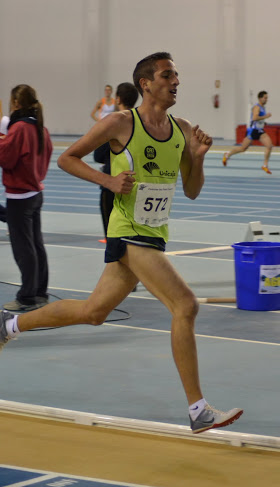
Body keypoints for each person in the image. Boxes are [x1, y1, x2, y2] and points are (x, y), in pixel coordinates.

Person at [0, 53, 243, 434]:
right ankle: (199, 410)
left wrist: (197, 158)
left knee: (94, 311)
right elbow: (68, 158)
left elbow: (192, 191)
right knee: (186, 305)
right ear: (146, 83)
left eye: (177, 74)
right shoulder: (119, 123)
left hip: (154, 234)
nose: (176, 80)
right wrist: (109, 182)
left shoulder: (181, 128)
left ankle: (9, 326)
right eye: (167, 74)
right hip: (128, 231)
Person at [0, 84, 53, 311]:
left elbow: (7, 158)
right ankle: (40, 291)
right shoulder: (40, 128)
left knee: (24, 248)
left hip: (20, 196)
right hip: (35, 193)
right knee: (36, 244)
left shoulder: (20, 128)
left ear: (15, 103)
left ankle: (27, 296)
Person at [94, 82, 139, 241]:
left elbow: (97, 156)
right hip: (135, 185)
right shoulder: (142, 124)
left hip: (112, 183)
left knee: (113, 237)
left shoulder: (114, 124)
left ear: (118, 99)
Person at [222, 90, 273, 174]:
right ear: (260, 98)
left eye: (267, 98)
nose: (266, 99)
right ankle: (227, 155)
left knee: (269, 146)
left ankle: (265, 165)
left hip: (259, 130)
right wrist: (266, 116)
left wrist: (263, 121)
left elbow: (258, 119)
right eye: (265, 98)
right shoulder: (257, 107)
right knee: (243, 148)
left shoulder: (263, 107)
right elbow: (255, 118)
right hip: (252, 131)